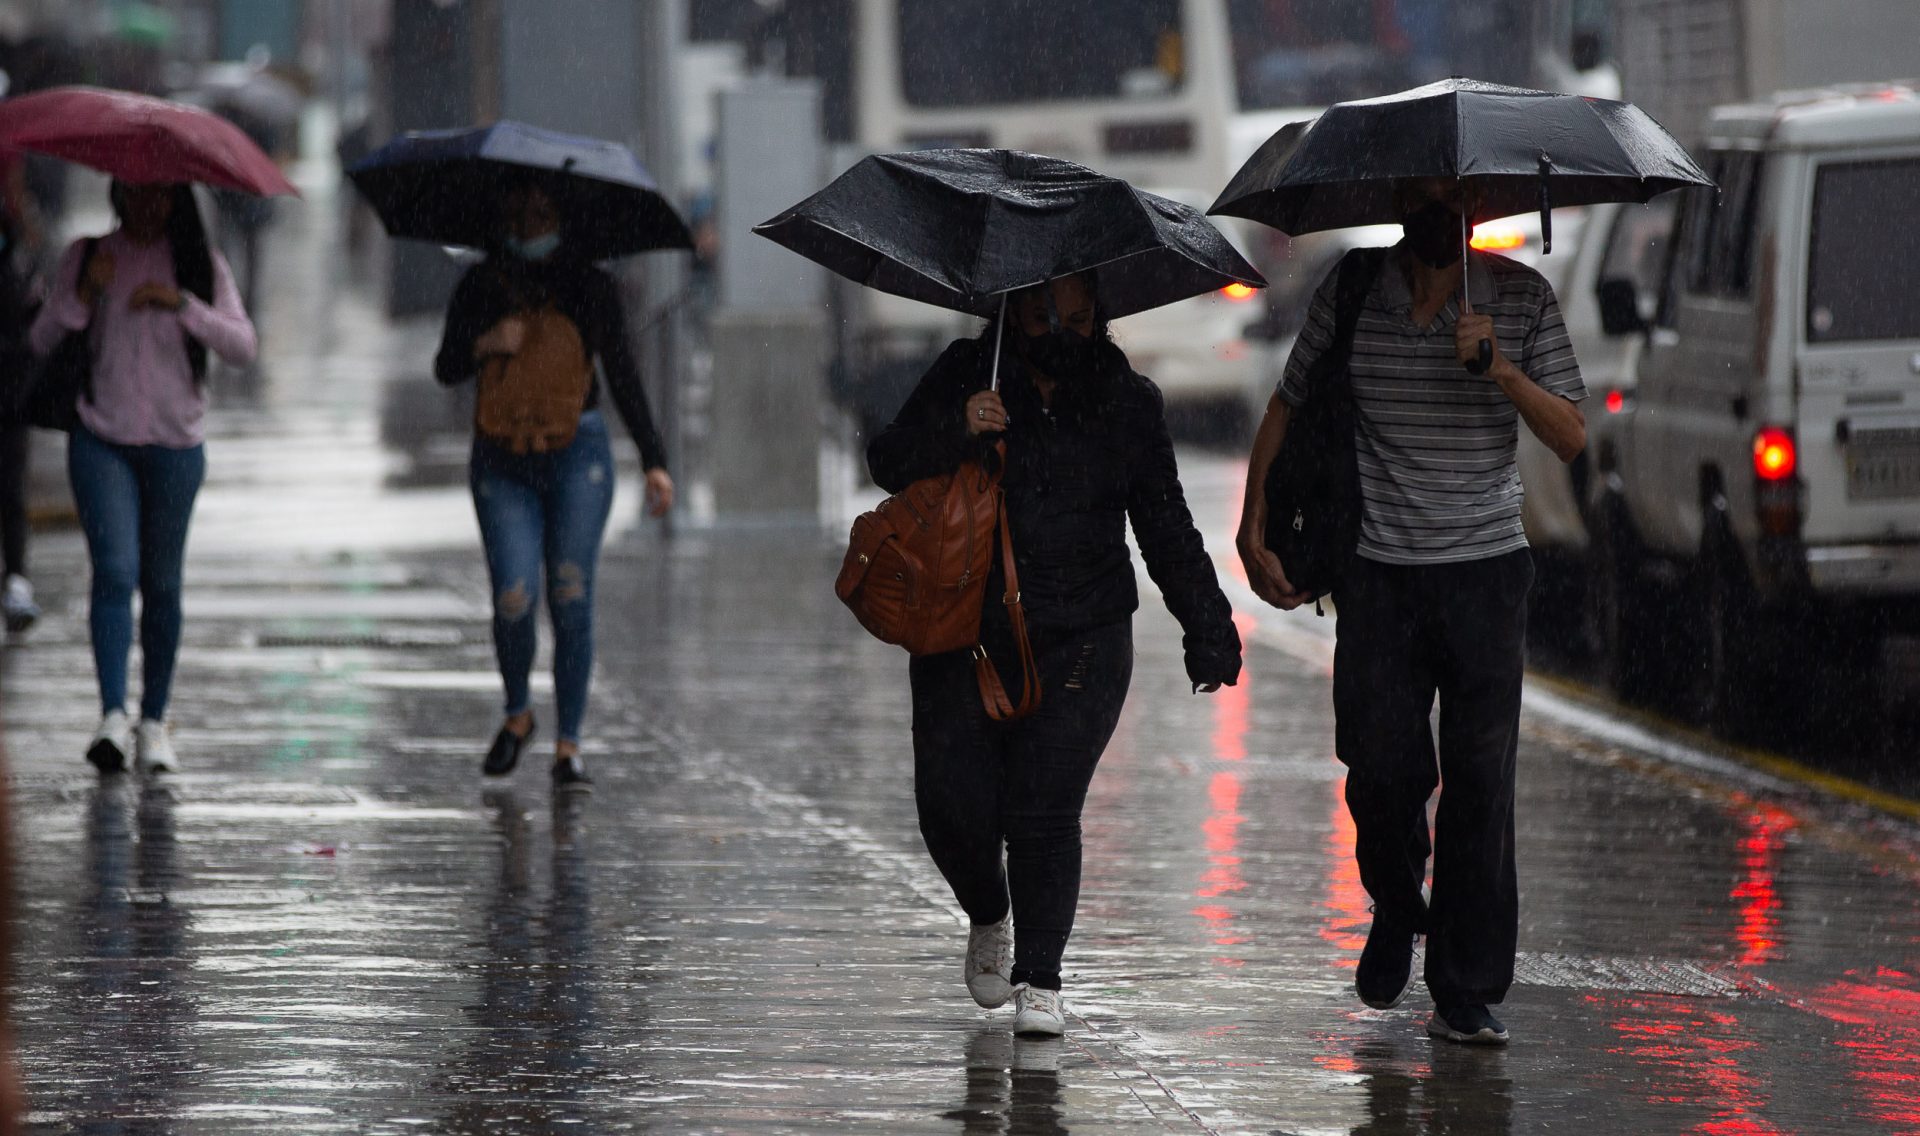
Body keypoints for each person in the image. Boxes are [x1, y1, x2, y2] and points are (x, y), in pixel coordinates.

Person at [1235, 177, 1586, 1046]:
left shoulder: (1520, 297)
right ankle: (1397, 899)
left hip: (1485, 577)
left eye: (1454, 202)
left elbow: (1572, 434)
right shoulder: (1354, 287)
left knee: (1479, 785)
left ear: (1474, 210)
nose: (1441, 216)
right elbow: (1287, 404)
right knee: (1380, 772)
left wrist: (1499, 367)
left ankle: (1464, 988)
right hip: (1379, 578)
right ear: (1401, 206)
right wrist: (1250, 523)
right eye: (1425, 200)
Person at [869, 273, 1242, 1037]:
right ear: (1012, 312)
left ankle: (1041, 979)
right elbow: (887, 459)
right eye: (1042, 316)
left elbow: (1166, 525)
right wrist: (957, 427)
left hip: (1085, 634)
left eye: (1077, 317)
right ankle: (989, 907)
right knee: (952, 811)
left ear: (1098, 317)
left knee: (1042, 807)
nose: (1060, 332)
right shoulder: (967, 372)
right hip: (963, 634)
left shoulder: (1127, 400)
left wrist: (1208, 625)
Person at [434, 178, 674, 793]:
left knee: (570, 592)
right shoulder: (481, 284)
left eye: (542, 213)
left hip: (578, 456)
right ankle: (519, 713)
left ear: (563, 219)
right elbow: (445, 367)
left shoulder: (592, 286)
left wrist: (654, 459)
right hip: (501, 459)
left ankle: (570, 744)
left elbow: (622, 371)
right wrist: (489, 341)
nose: (530, 225)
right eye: (519, 212)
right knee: (513, 594)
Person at [29, 180, 257, 775]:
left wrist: (182, 304)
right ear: (118, 192)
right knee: (114, 572)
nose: (148, 205)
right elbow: (42, 336)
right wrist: (85, 294)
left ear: (176, 197)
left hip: (176, 448)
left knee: (162, 584)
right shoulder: (86, 254)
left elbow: (243, 345)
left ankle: (154, 722)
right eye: (137, 192)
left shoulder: (201, 264)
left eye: (160, 194)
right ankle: (111, 713)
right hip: (101, 440)